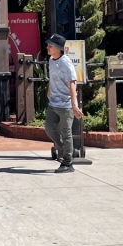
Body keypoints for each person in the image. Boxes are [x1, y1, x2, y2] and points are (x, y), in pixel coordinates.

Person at [44, 34, 82, 173]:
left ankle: (68, 163)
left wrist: (74, 105)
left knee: (66, 133)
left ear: (59, 48)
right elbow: (52, 77)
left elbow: (72, 83)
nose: (48, 47)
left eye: (51, 46)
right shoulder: (51, 60)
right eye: (48, 45)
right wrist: (49, 90)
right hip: (54, 103)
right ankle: (67, 149)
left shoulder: (66, 63)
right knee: (49, 128)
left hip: (66, 105)